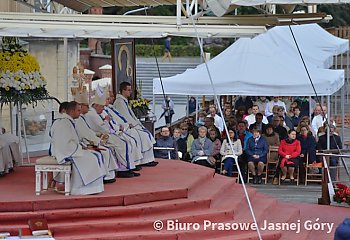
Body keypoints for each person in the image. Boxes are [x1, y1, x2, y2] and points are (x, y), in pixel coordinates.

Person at [49, 101, 105, 195]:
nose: (80, 112)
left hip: (71, 150)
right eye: (78, 110)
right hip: (65, 152)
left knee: (94, 156)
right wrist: (79, 148)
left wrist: (81, 146)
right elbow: (64, 144)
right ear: (71, 111)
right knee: (90, 158)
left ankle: (91, 187)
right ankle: (80, 188)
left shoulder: (69, 121)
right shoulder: (64, 123)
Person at [74, 92, 118, 183]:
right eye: (87, 105)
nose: (89, 107)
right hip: (82, 145)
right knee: (104, 152)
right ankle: (102, 176)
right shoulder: (78, 119)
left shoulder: (81, 117)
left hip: (87, 141)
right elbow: (85, 134)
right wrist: (97, 140)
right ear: (80, 106)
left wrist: (97, 138)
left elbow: (88, 132)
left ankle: (107, 175)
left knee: (106, 150)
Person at [114, 81, 157, 167]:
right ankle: (140, 161)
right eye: (128, 90)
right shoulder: (119, 102)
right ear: (123, 90)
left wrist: (137, 124)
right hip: (126, 127)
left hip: (129, 125)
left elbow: (130, 115)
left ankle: (147, 159)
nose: (130, 92)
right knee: (140, 135)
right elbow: (125, 116)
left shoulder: (123, 101)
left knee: (144, 134)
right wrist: (135, 125)